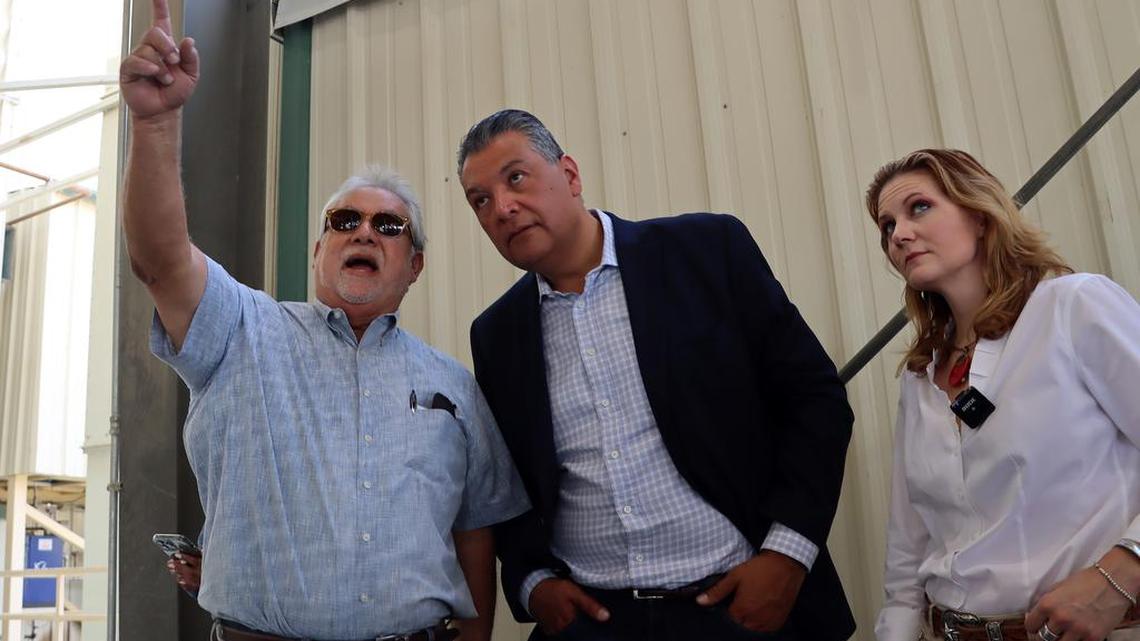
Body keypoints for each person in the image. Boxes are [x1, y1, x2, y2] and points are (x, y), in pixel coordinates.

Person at [119, 2, 529, 640]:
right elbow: (161, 262)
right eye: (344, 221)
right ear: (318, 252)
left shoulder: (455, 385)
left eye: (388, 226)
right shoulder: (241, 332)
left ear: (413, 264)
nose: (364, 230)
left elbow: (475, 527)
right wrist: (156, 124)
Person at [457, 109, 855, 641]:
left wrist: (788, 554)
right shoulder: (496, 333)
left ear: (570, 176)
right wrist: (533, 582)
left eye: (515, 178)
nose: (502, 207)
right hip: (593, 621)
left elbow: (815, 400)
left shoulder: (708, 252)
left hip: (739, 606)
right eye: (480, 200)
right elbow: (510, 476)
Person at [867, 149, 1140, 641]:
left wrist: (1120, 575)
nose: (898, 235)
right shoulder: (920, 375)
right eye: (886, 226)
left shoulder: (1072, 308)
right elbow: (909, 548)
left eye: (919, 208)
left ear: (978, 214)